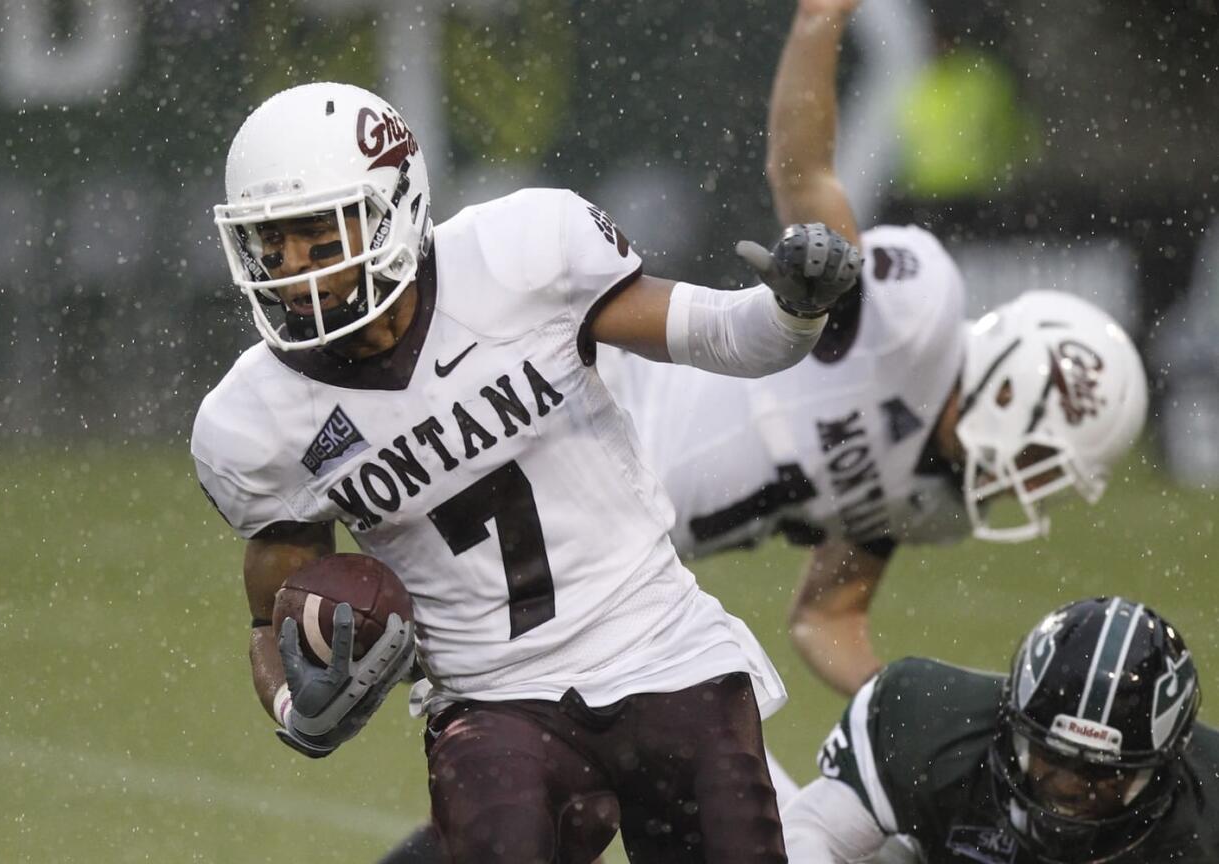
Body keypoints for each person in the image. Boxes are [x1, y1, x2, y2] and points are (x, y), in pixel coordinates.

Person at [191, 81, 864, 863]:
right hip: (492, 700)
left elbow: (720, 336)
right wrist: (292, 704)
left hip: (659, 643)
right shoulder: (254, 420)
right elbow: (269, 616)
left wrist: (790, 312)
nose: (292, 269)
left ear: (394, 206)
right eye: (268, 244)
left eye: (318, 237)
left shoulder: (520, 256)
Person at [597, 0, 1148, 698]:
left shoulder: (936, 498)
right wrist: (819, 20)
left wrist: (922, 717)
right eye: (1042, 460)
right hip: (595, 417)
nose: (1030, 486)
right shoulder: (910, 324)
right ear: (1011, 388)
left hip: (623, 554)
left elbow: (826, 618)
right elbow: (804, 180)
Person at [781, 596, 1217, 862]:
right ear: (1011, 720)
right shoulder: (932, 726)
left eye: (1105, 774)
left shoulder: (1207, 808)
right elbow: (808, 831)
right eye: (1055, 757)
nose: (1069, 787)